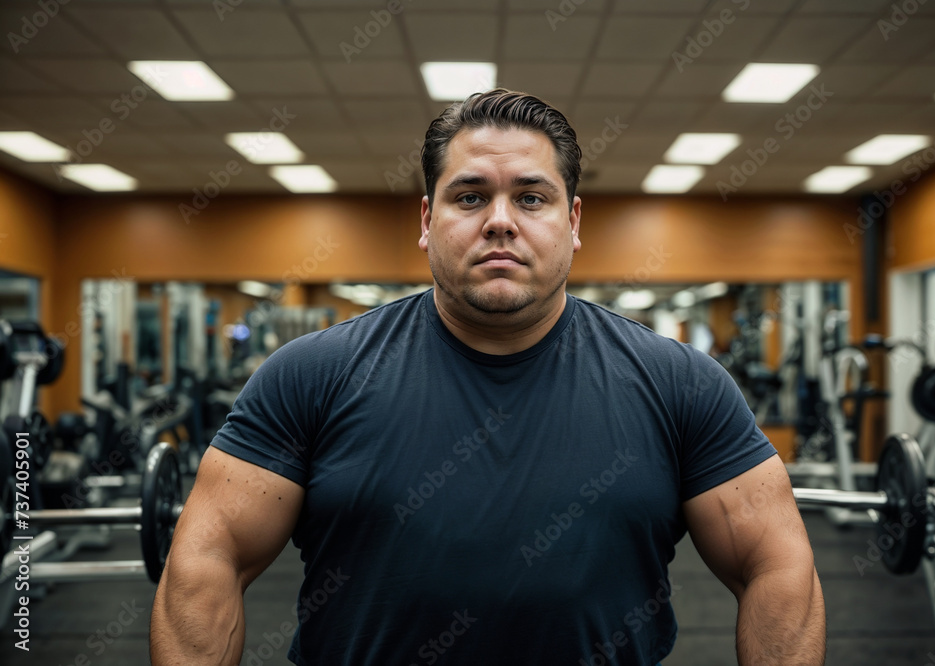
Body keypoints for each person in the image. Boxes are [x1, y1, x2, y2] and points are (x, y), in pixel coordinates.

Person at [150, 88, 825, 665]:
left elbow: (778, 563)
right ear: (427, 218)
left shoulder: (681, 384)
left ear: (573, 219)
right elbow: (210, 555)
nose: (500, 222)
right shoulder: (311, 375)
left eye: (531, 198)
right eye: (470, 196)